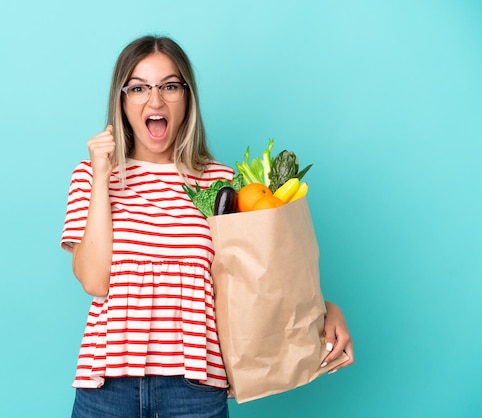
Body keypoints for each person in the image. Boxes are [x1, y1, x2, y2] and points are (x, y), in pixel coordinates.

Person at [60, 35, 354, 418]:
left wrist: (326, 310)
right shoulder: (90, 176)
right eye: (139, 87)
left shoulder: (220, 183)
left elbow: (258, 283)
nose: (155, 100)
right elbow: (95, 282)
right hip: (107, 385)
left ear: (187, 97)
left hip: (195, 387)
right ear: (122, 98)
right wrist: (102, 175)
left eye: (169, 86)